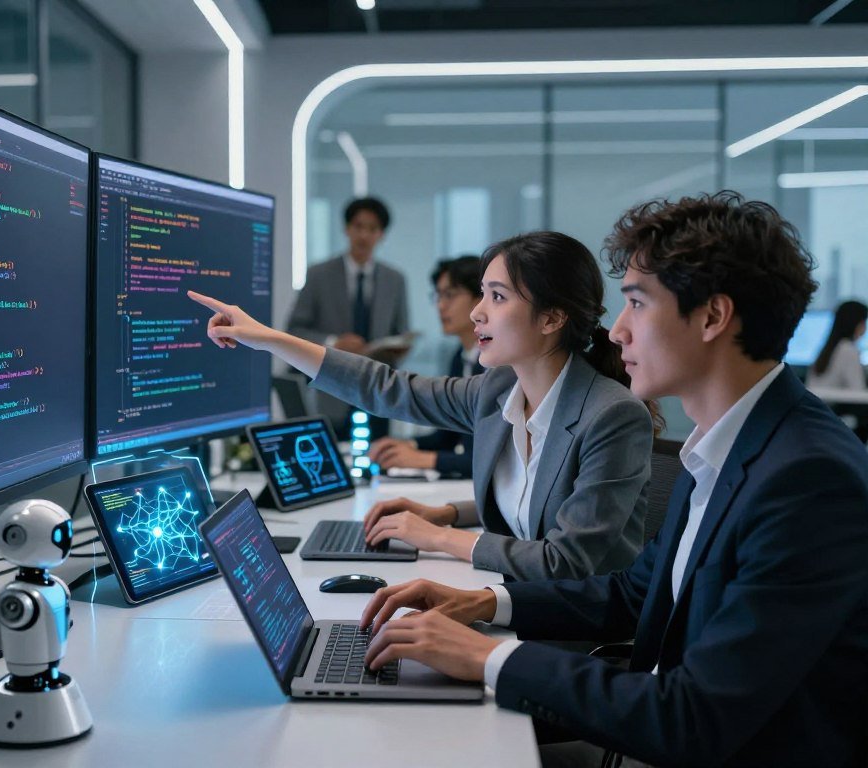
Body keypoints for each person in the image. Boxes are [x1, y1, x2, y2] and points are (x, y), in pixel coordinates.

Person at [355, 192, 868, 768]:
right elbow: (633, 593)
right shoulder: (729, 446)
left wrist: (486, 659)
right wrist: (481, 603)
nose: (618, 331)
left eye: (638, 304)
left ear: (712, 316)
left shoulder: (807, 479)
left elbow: (693, 718)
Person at [189, 230, 657, 583]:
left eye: (497, 297)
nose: (477, 312)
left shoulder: (611, 415)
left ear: (553, 318)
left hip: (576, 632)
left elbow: (566, 562)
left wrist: (439, 538)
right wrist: (271, 340)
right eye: (481, 294)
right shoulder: (497, 391)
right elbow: (387, 388)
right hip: (520, 598)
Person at [286, 197, 409, 436]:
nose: (364, 235)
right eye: (358, 226)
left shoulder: (395, 280)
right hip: (332, 389)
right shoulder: (318, 275)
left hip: (377, 391)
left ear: (381, 234)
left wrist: (397, 348)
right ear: (346, 229)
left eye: (372, 229)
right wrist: (333, 343)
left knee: (378, 462)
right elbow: (294, 330)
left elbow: (401, 331)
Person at [368, 255, 484, 478]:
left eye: (449, 295)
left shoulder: (497, 365)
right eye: (438, 296)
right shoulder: (460, 358)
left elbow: (492, 461)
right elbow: (448, 436)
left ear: (479, 298)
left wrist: (425, 460)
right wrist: (407, 445)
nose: (440, 306)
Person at [806, 299, 867, 390]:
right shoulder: (848, 349)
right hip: (831, 403)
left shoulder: (830, 348)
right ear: (856, 324)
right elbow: (857, 389)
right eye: (863, 323)